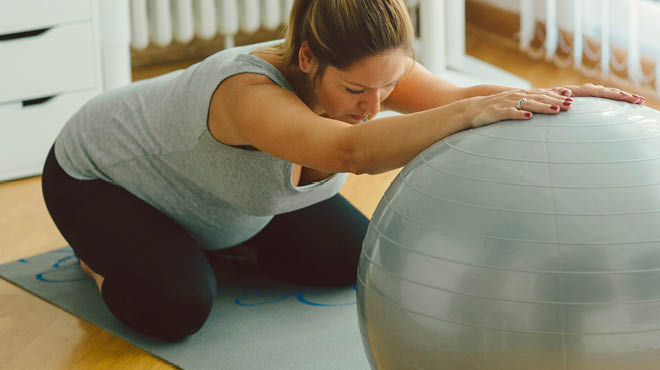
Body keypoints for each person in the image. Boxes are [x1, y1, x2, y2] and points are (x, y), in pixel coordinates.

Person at [41, 0, 647, 342]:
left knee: (350, 261)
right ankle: (100, 257)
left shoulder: (368, 71)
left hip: (225, 198)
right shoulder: (247, 92)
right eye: (357, 90)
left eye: (389, 86)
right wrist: (468, 114)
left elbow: (461, 94)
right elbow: (350, 153)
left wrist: (562, 95)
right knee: (175, 307)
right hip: (103, 179)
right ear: (307, 59)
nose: (373, 106)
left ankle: (208, 242)